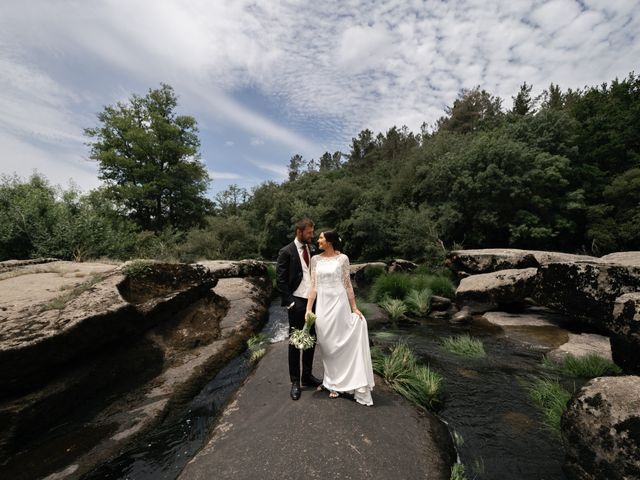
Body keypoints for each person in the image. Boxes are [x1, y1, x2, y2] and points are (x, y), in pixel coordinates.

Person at [305, 230, 375, 406]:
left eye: (321, 238)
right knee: (326, 344)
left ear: (329, 241)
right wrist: (308, 309)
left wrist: (354, 308)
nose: (318, 240)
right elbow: (313, 286)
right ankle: (330, 380)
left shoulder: (342, 258)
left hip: (339, 304)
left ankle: (337, 384)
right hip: (322, 306)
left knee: (339, 342)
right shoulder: (315, 260)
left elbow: (347, 284)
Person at [276, 218, 322, 400]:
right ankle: (295, 381)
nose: (312, 236)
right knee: (295, 342)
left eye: (313, 232)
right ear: (299, 231)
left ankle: (307, 376)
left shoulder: (311, 250)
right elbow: (280, 280)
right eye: (309, 233)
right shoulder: (286, 252)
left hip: (313, 301)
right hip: (297, 301)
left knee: (310, 339)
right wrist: (291, 302)